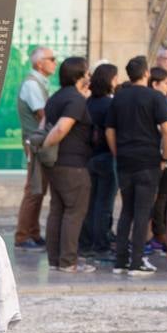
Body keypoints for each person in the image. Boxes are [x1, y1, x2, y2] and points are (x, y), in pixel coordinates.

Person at [105, 56, 167, 276]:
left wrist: (118, 153)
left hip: (125, 160)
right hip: (148, 161)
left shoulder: (119, 97)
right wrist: (165, 156)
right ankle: (136, 262)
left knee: (126, 210)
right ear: (146, 73)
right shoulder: (156, 97)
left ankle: (121, 261)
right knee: (143, 212)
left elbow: (109, 130)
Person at [39, 56, 96, 272]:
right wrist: (45, 145)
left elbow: (43, 124)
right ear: (79, 76)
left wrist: (43, 150)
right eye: (87, 73)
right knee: (74, 212)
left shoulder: (55, 98)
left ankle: (55, 260)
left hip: (55, 164)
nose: (89, 77)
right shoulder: (75, 100)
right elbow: (61, 128)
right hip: (73, 164)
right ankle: (68, 262)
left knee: (58, 210)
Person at [15, 46, 54, 249]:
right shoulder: (32, 85)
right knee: (33, 189)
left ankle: (33, 232)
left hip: (38, 143)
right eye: (51, 59)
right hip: (35, 144)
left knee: (38, 189)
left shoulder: (38, 83)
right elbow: (43, 114)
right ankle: (23, 235)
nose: (54, 63)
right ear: (40, 63)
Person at [81, 62, 118, 258]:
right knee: (104, 204)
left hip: (89, 157)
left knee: (90, 203)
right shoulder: (109, 104)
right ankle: (101, 244)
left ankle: (86, 242)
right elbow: (111, 132)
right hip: (105, 156)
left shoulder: (88, 103)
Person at [147, 67, 167, 252]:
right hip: (160, 154)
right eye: (165, 83)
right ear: (155, 84)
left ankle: (159, 232)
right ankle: (158, 233)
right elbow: (166, 130)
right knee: (160, 196)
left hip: (164, 153)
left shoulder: (165, 100)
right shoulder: (156, 100)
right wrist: (165, 157)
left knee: (164, 194)